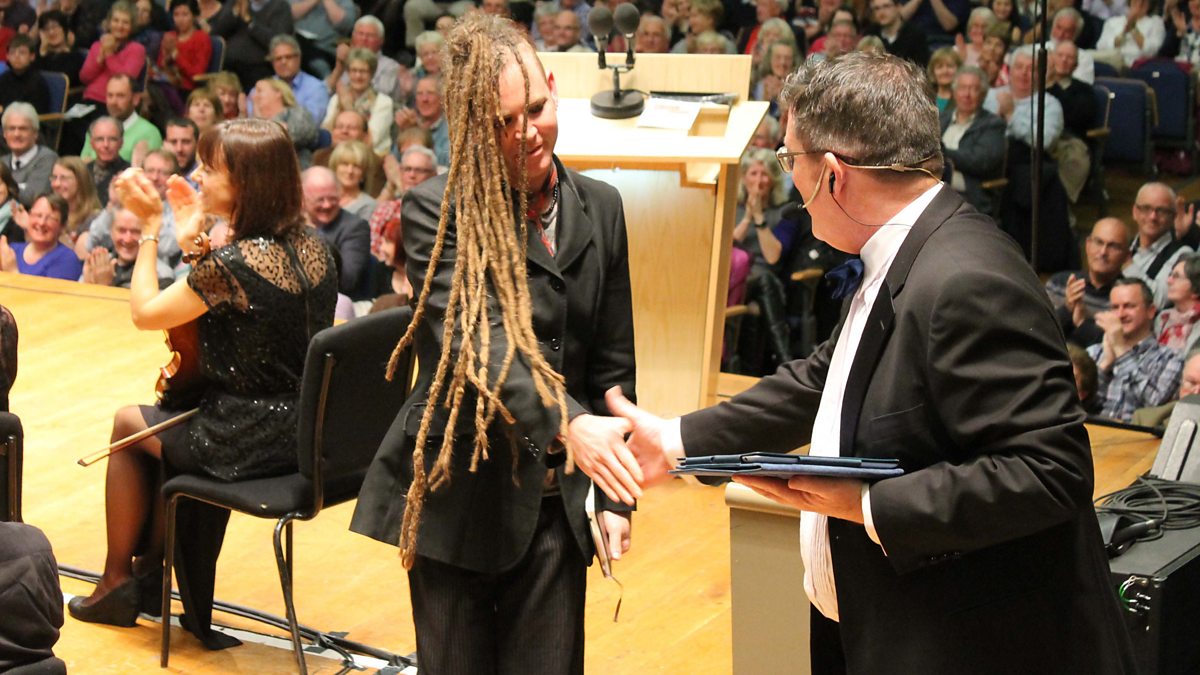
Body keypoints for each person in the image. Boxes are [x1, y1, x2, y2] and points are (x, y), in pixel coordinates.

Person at [591, 52, 1137, 674]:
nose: (790, 181)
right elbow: (826, 378)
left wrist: (868, 505)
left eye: (789, 160)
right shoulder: (910, 247)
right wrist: (677, 440)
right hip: (880, 619)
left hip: (963, 642)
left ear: (832, 174)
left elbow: (1049, 471)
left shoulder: (965, 277)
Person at [350, 14, 636, 675]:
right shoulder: (434, 209)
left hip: (555, 507)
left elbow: (614, 366)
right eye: (502, 122)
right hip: (459, 502)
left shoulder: (603, 207)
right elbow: (480, 343)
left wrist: (616, 494)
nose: (525, 133)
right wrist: (572, 424)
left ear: (553, 87)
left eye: (534, 110)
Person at [65, 119, 337, 637]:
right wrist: (195, 242)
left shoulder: (233, 264)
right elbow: (250, 316)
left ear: (245, 182)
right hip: (307, 432)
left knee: (128, 425)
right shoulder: (314, 247)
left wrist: (151, 227)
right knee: (166, 423)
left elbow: (145, 312)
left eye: (210, 168)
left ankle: (117, 581)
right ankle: (149, 572)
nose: (197, 176)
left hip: (246, 437)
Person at [1087, 278, 1184, 421]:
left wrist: (1121, 350)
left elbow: (1153, 404)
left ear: (1151, 311)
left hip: (1137, 433)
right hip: (1091, 431)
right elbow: (1077, 402)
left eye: (1129, 306)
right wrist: (1104, 366)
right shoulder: (1094, 353)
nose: (1120, 314)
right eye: (1115, 307)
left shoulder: (1171, 359)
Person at [1045, 217, 1130, 346]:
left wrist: (1082, 324)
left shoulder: (1128, 297)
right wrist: (1067, 309)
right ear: (1088, 245)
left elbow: (1122, 345)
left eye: (1113, 246)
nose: (1103, 252)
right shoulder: (1058, 283)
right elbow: (1040, 332)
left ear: (1127, 256)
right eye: (1099, 242)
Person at [939, 65, 1005, 217]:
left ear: (983, 94)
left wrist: (942, 152)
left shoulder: (992, 124)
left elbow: (981, 161)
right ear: (954, 92)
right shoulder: (941, 119)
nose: (967, 95)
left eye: (974, 89)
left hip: (967, 195)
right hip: (934, 189)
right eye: (962, 88)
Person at [301, 165, 369, 296]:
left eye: (333, 199)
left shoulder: (355, 227)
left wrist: (311, 234)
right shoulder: (290, 223)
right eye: (320, 200)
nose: (327, 205)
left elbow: (348, 281)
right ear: (303, 199)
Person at [1126, 181, 1193, 307]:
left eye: (1161, 211)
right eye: (1146, 208)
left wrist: (1127, 265)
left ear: (1173, 216)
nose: (1153, 217)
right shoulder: (1124, 245)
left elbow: (1158, 301)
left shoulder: (1183, 255)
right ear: (1135, 212)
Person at [321, 48, 394, 156]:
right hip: (337, 154)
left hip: (371, 157)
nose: (358, 76)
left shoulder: (383, 102)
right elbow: (326, 135)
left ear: (372, 74)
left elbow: (370, 141)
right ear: (348, 72)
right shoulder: (336, 98)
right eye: (354, 70)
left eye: (363, 71)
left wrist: (348, 107)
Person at [206, 0, 293, 88]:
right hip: (229, 67)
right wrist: (234, 13)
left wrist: (249, 22)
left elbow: (278, 42)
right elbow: (215, 34)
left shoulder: (280, 7)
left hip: (258, 68)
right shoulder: (236, 3)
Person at [81, 207, 175, 288]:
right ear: (111, 232)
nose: (127, 239)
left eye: (135, 232)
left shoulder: (161, 275)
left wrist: (103, 286)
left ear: (148, 233)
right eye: (121, 230)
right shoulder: (99, 265)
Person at [82, 74, 164, 165]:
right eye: (110, 95)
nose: (113, 102)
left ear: (135, 99)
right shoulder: (96, 128)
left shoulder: (149, 132)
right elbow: (83, 165)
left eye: (120, 96)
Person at [0, 194, 82, 280]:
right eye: (38, 215)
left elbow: (51, 289)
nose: (41, 222)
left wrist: (12, 272)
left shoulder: (67, 259)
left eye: (50, 218)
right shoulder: (11, 251)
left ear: (62, 226)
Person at [1, 103, 58, 207]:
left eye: (23, 129)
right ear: (4, 133)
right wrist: (19, 187)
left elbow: (32, 198)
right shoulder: (2, 162)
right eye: (11, 128)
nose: (17, 134)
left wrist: (5, 188)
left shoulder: (48, 159)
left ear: (35, 133)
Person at [250, 78, 318, 166]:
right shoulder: (252, 121)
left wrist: (267, 126)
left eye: (259, 91)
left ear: (278, 92)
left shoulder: (298, 112)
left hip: (295, 164)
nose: (254, 97)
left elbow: (298, 135)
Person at [53, 157, 104, 248]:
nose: (56, 184)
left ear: (80, 181)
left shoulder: (95, 219)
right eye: (54, 178)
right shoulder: (50, 213)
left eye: (64, 178)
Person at [1157, 254, 1200, 354]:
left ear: (1196, 288)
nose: (1168, 281)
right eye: (1170, 275)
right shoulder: (1163, 317)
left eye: (1176, 276)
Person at [86, 117, 132, 206]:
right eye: (100, 139)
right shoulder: (82, 172)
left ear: (121, 142)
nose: (106, 145)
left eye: (112, 139)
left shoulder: (130, 174)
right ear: (92, 143)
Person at [867, 0, 930, 66]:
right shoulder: (870, 34)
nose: (881, 12)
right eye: (876, 8)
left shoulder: (915, 35)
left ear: (898, 7)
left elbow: (921, 66)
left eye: (886, 6)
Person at [329, 140, 377, 221]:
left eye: (356, 166)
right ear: (335, 167)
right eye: (345, 164)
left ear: (364, 173)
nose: (350, 171)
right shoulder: (323, 197)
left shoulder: (368, 205)